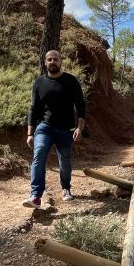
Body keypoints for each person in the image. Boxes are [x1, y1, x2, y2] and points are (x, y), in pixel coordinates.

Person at [23, 49, 86, 208]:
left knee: (65, 160)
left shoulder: (71, 81)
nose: (52, 62)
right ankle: (35, 196)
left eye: (55, 59)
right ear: (45, 62)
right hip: (44, 126)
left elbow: (80, 105)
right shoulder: (39, 83)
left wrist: (80, 128)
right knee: (39, 154)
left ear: (60, 61)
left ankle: (66, 188)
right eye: (49, 59)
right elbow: (33, 108)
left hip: (66, 128)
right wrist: (30, 133)